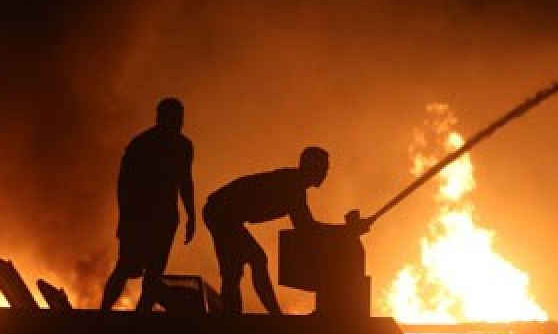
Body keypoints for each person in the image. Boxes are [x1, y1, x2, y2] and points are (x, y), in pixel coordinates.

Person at [203, 146, 370, 314]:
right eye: (323, 168)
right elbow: (307, 228)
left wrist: (346, 231)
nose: (325, 173)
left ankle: (245, 315)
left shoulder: (294, 184)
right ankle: (250, 317)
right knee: (249, 263)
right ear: (311, 168)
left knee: (245, 265)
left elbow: (307, 228)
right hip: (221, 212)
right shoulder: (293, 187)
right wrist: (346, 231)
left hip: (224, 213)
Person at [100, 97, 195, 312]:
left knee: (154, 272)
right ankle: (103, 312)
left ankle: (141, 318)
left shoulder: (184, 146)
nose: (177, 123)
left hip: (166, 218)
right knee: (126, 267)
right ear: (160, 118)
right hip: (139, 218)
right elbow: (124, 185)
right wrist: (125, 219)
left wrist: (191, 215)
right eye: (173, 118)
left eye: (179, 118)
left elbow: (185, 181)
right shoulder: (142, 144)